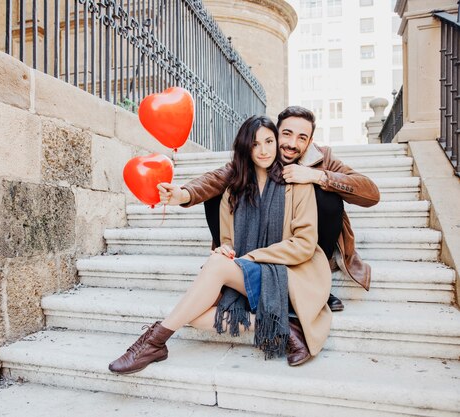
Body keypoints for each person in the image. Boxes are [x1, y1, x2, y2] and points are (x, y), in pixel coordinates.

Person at [108, 116, 331, 374]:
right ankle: (277, 324)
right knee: (193, 314)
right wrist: (225, 251)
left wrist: (249, 258)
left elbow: (304, 245)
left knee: (208, 281)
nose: (264, 150)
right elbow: (228, 242)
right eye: (256, 144)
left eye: (269, 141)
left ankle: (154, 341)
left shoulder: (296, 184)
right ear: (246, 148)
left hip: (291, 274)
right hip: (251, 274)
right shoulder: (233, 191)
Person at [158, 106, 380, 311]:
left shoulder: (321, 158)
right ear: (275, 132)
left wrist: (317, 176)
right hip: (260, 239)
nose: (292, 143)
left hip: (304, 246)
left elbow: (371, 193)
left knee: (326, 197)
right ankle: (233, 263)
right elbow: (216, 178)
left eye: (302, 137)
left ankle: (313, 281)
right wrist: (183, 194)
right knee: (216, 195)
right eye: (286, 134)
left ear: (310, 140)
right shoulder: (261, 153)